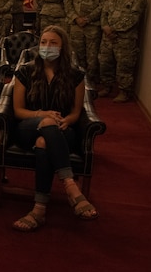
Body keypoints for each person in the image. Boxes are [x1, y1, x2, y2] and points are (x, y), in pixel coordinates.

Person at [10, 25, 99, 232]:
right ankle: (69, 184)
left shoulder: (75, 76)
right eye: (43, 42)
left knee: (44, 142)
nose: (47, 46)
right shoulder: (25, 71)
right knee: (45, 126)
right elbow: (18, 111)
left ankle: (39, 209)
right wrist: (43, 114)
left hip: (61, 130)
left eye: (53, 43)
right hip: (28, 128)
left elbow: (76, 112)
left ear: (63, 47)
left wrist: (67, 120)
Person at [98, 0, 147, 103]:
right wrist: (105, 27)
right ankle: (107, 86)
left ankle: (124, 92)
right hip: (107, 37)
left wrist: (114, 29)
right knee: (105, 63)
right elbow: (104, 12)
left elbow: (133, 18)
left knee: (124, 66)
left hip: (125, 39)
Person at [66, 0, 113, 88]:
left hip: (93, 27)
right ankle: (77, 81)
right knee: (76, 55)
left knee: (92, 57)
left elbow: (104, 6)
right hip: (76, 26)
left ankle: (90, 83)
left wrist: (87, 19)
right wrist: (75, 18)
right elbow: (67, 3)